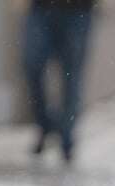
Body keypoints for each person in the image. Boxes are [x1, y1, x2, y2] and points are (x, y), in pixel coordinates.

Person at [22, 0, 96, 162]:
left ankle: (67, 138)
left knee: (72, 77)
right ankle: (45, 124)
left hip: (78, 11)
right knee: (32, 64)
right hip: (41, 8)